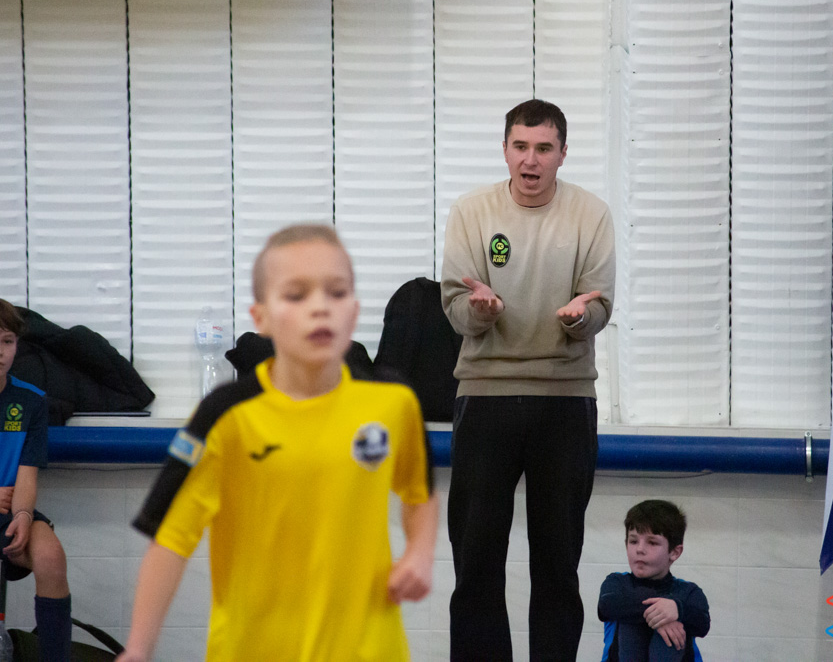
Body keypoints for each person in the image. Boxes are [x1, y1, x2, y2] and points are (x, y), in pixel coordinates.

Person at [117, 224, 439, 662]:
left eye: (336, 292)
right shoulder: (225, 415)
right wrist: (138, 649)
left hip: (370, 649)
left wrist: (420, 553)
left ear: (354, 310)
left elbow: (419, 492)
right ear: (261, 318)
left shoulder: (393, 401)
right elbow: (171, 539)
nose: (320, 308)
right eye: (296, 295)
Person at [441, 98, 615, 660]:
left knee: (558, 564)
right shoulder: (471, 211)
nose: (530, 160)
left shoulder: (591, 214)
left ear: (563, 153)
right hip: (485, 397)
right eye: (520, 146)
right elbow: (456, 306)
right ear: (505, 150)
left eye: (543, 148)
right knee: (476, 562)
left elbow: (598, 304)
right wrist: (481, 312)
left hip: (563, 401)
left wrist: (579, 318)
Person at [0, 298, 72, 662]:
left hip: (11, 509)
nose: (0, 352)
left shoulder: (30, 401)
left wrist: (24, 515)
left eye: (7, 341)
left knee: (50, 555)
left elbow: (27, 474)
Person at [598, 500, 710, 662]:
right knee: (630, 620)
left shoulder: (688, 592)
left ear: (674, 552)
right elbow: (608, 605)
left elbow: (702, 623)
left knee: (670, 633)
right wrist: (664, 615)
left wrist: (677, 609)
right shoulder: (617, 583)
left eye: (652, 542)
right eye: (633, 541)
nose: (639, 549)